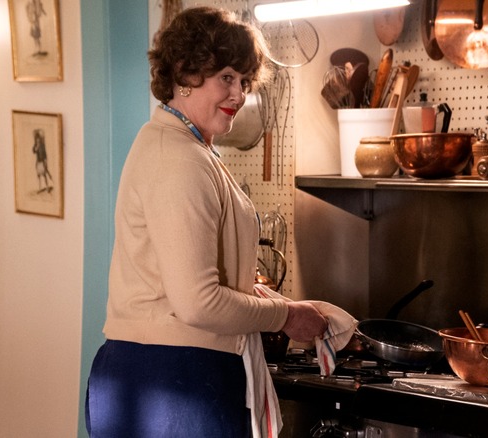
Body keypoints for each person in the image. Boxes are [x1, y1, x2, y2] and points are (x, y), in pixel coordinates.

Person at [85, 7, 329, 438]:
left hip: (164, 374)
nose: (238, 94)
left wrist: (255, 294)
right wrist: (285, 315)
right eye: (226, 78)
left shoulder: (184, 148)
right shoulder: (179, 159)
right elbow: (196, 302)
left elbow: (180, 277)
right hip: (170, 381)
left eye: (244, 81)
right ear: (185, 73)